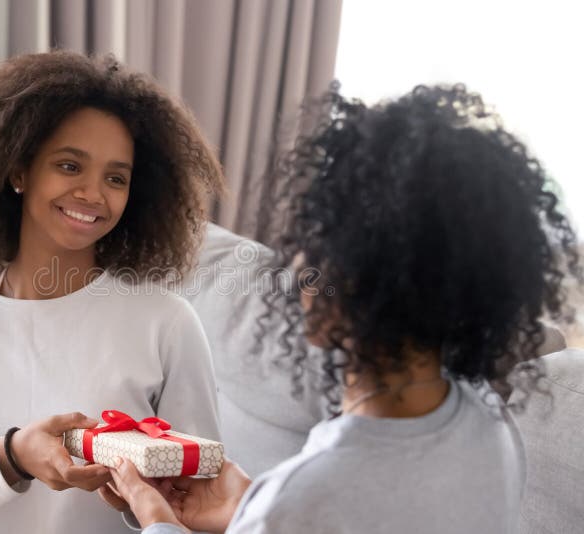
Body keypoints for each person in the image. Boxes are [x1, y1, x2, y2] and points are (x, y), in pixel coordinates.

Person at [104, 84, 582, 533]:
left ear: (345, 285)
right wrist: (250, 503)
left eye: (313, 244)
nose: (297, 262)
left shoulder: (304, 500)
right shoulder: (490, 424)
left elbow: (324, 508)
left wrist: (157, 519)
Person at [0, 50, 224, 534]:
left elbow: (197, 497)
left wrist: (134, 493)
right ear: (19, 172)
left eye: (115, 178)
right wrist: (12, 457)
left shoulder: (165, 323)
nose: (92, 193)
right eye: (69, 166)